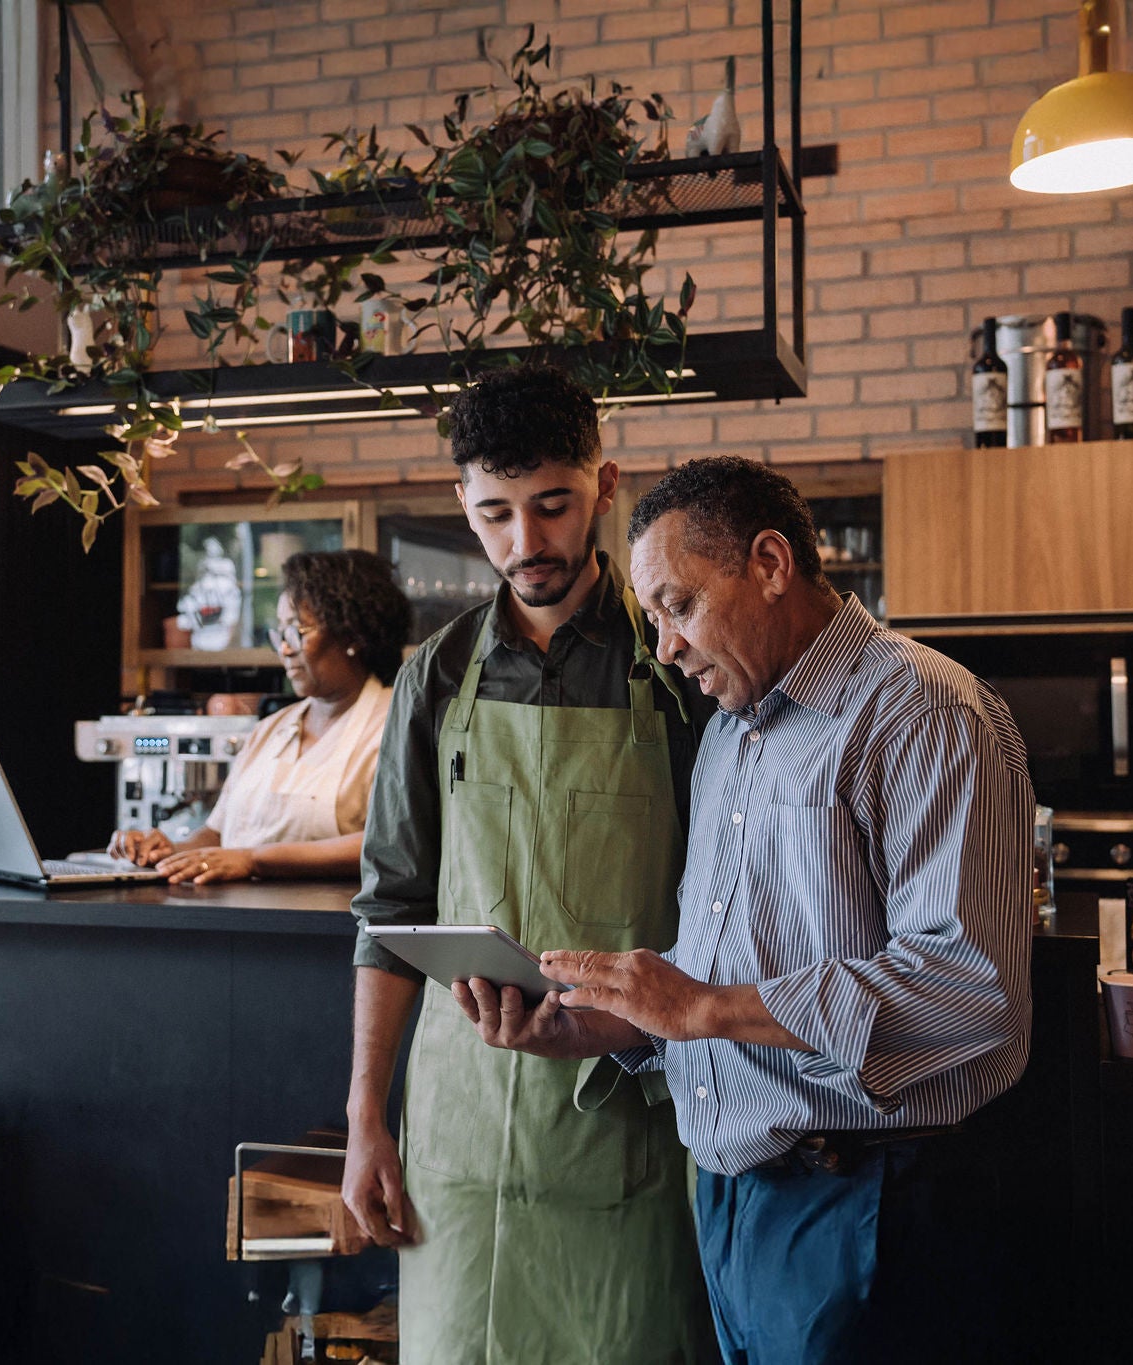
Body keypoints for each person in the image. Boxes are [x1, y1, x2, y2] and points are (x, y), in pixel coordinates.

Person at [455, 455, 1035, 1364]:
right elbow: (730, 978)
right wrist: (615, 1028)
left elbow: (971, 992)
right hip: (732, 1201)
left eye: (680, 607)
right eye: (653, 619)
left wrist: (701, 1007)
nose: (666, 646)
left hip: (860, 1201)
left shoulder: (922, 709)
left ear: (769, 564)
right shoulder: (730, 730)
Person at [344, 366, 716, 1364]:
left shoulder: (676, 665)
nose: (525, 543)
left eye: (551, 506)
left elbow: (729, 898)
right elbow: (389, 907)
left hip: (630, 1106)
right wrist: (363, 1122)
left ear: (604, 487)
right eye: (493, 514)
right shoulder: (436, 674)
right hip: (462, 1112)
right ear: (463, 508)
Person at [112, 549, 408, 885]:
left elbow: (390, 845)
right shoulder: (271, 729)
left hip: (329, 927)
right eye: (279, 633)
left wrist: (255, 860)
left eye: (299, 630)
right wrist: (168, 853)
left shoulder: (396, 724)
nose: (284, 648)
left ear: (354, 633)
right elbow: (215, 834)